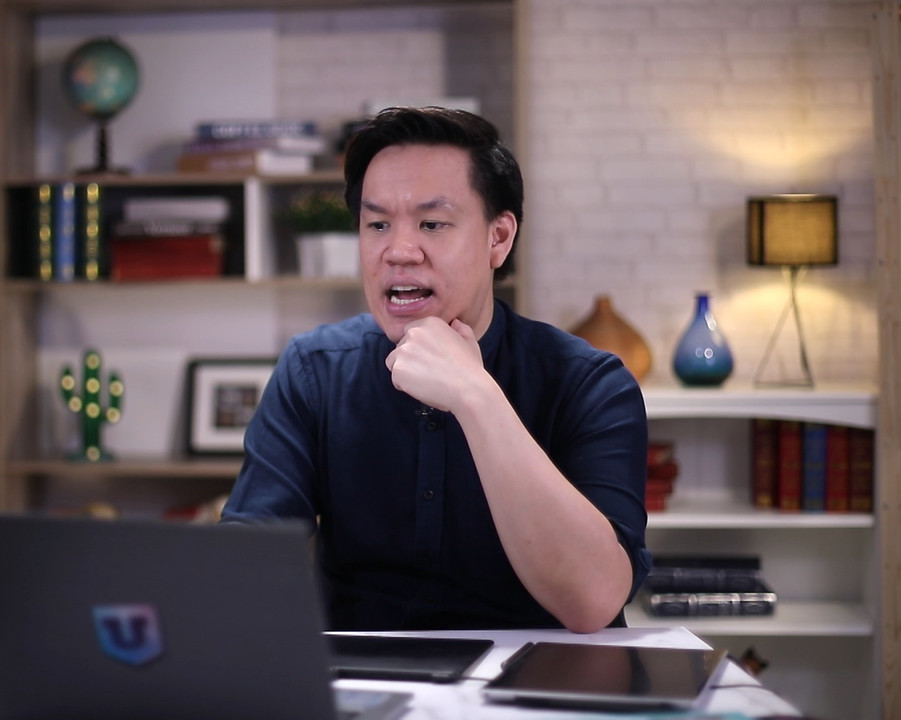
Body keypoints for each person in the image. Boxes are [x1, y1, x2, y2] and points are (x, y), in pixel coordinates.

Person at [221, 106, 650, 633]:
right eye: (377, 224)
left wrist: (476, 396)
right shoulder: (315, 371)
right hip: (364, 673)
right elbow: (244, 564)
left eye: (432, 224)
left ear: (499, 238)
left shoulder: (589, 382)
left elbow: (594, 601)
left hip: (541, 671)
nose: (399, 252)